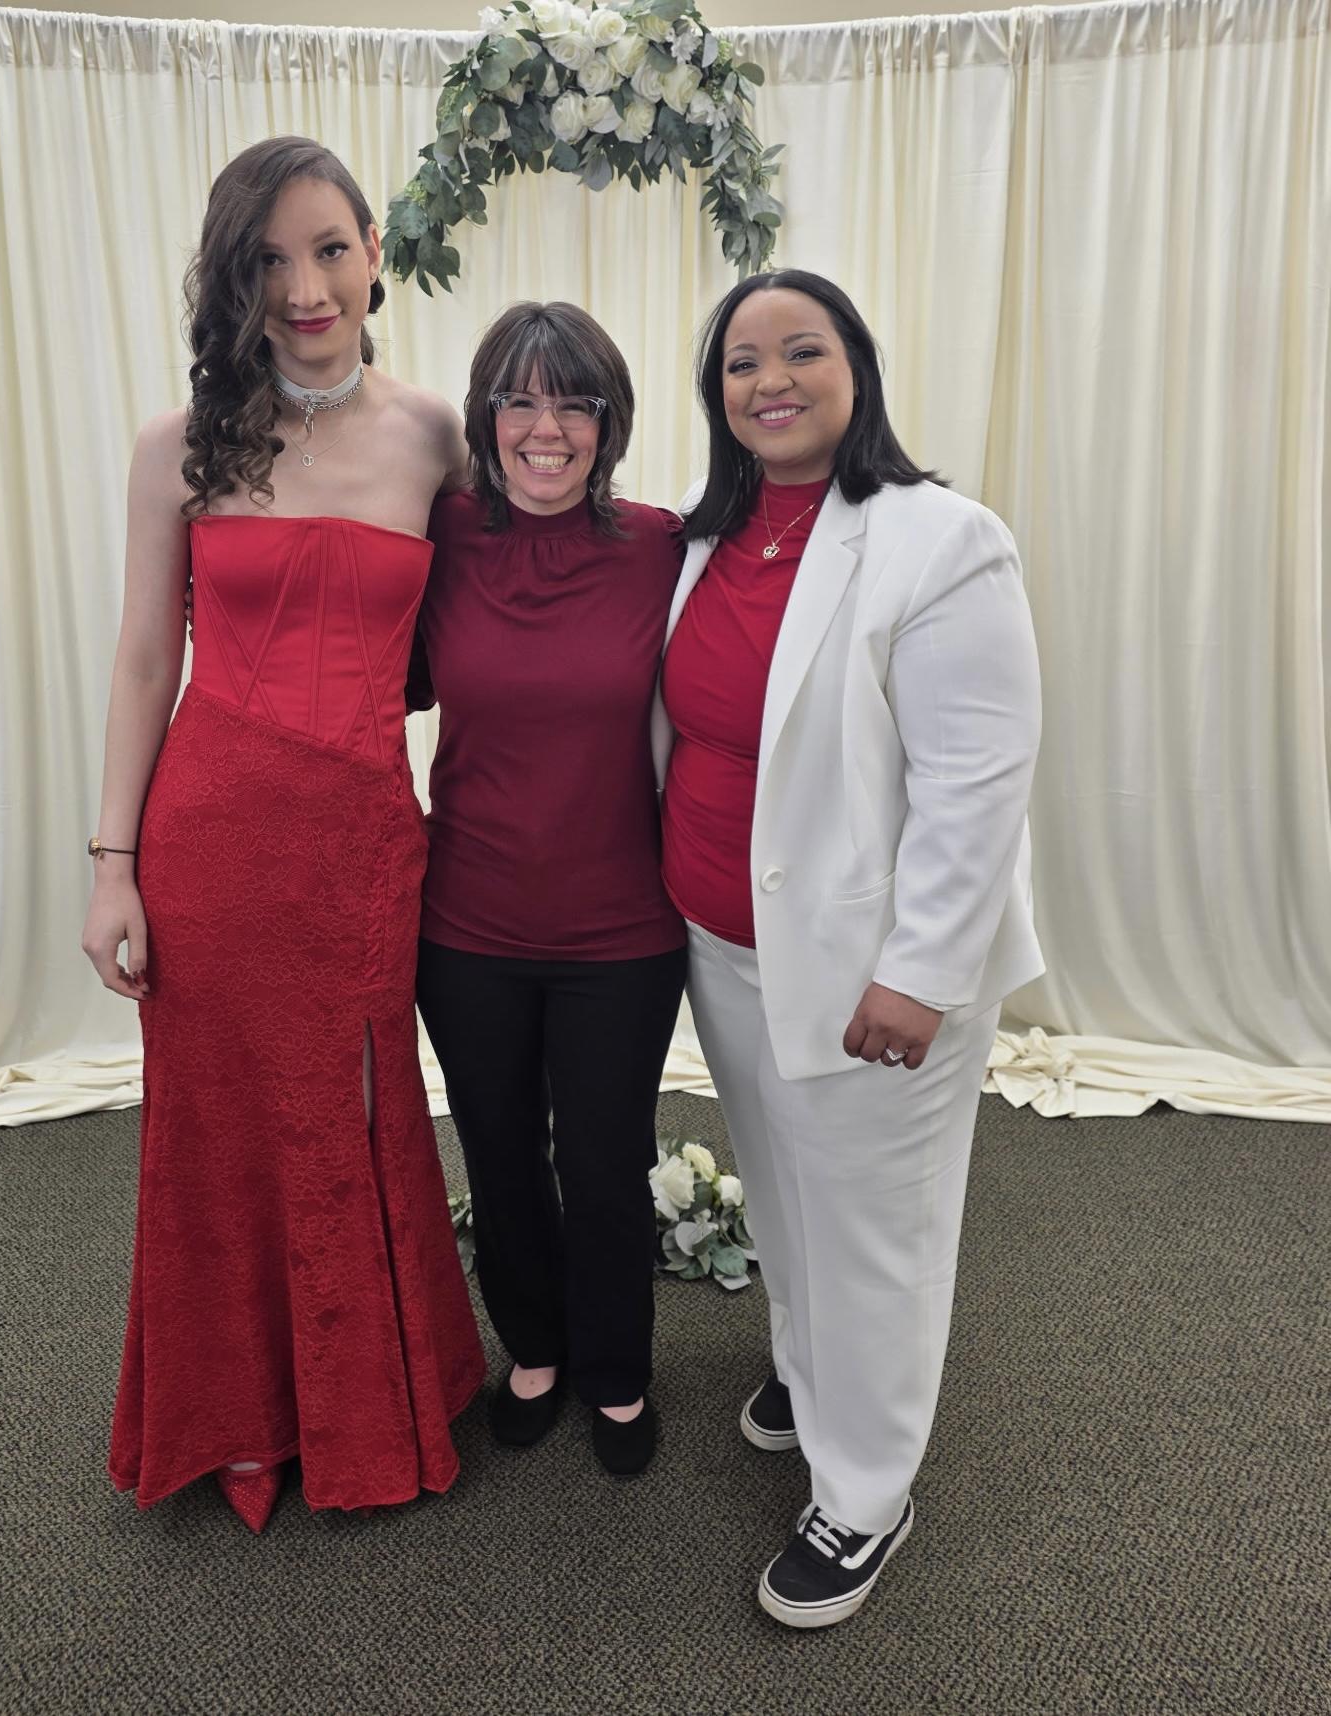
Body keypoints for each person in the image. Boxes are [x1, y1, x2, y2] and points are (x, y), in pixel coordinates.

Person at [81, 136, 485, 1533]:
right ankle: (241, 1414)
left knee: (361, 1111)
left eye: (326, 250)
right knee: (214, 1124)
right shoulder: (177, 447)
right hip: (210, 838)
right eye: (266, 261)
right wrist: (113, 868)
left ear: (375, 253)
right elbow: (146, 660)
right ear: (231, 280)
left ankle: (369, 1403)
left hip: (362, 841)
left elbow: (489, 629)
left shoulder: (435, 437)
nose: (303, 289)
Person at [656, 270, 1042, 1624]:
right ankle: (811, 1373)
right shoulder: (707, 531)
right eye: (739, 362)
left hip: (870, 972)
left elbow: (975, 781)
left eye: (800, 351)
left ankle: (865, 1490)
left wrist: (920, 972)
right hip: (725, 945)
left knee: (875, 1227)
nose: (768, 380)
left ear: (855, 369)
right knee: (781, 1190)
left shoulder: (940, 541)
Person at [408, 302, 686, 1477]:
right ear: (485, 417)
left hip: (622, 929)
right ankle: (532, 1346)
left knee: (606, 1160)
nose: (545, 429)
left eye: (574, 403)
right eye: (518, 401)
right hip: (465, 921)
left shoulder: (661, 547)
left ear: (608, 423)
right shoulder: (440, 535)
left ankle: (615, 1366)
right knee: (498, 1147)